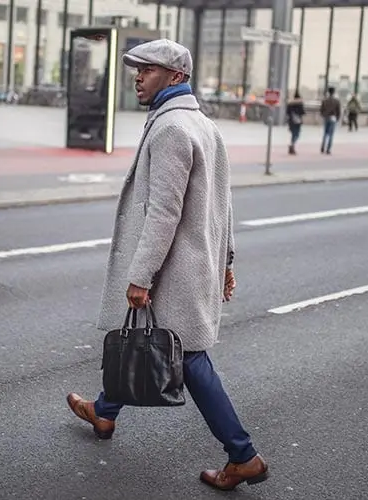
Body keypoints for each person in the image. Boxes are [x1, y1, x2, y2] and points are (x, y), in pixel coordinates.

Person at [65, 39, 267, 492]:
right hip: (193, 264)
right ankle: (104, 411)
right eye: (137, 69)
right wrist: (227, 260)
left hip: (174, 269)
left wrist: (141, 275)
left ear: (175, 76)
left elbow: (164, 211)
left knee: (188, 358)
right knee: (143, 339)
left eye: (148, 69)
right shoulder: (203, 125)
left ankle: (243, 455)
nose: (137, 76)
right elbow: (222, 205)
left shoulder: (171, 129)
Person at [319, 87, 340, 154]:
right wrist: (337, 118)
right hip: (333, 118)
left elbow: (321, 110)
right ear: (334, 92)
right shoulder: (337, 101)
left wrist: (324, 115)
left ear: (328, 92)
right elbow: (338, 111)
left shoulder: (324, 100)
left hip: (326, 117)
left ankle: (322, 147)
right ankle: (328, 149)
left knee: (325, 133)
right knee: (331, 134)